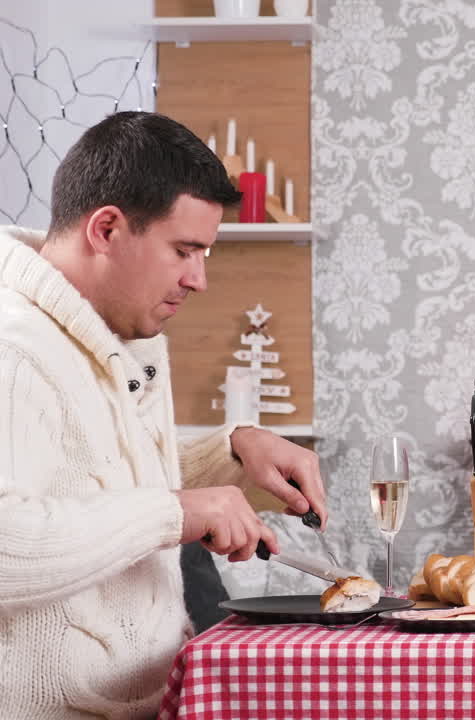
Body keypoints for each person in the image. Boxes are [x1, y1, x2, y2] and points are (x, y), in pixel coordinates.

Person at [0, 111, 329, 718]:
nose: (198, 279)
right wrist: (175, 513)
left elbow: (90, 475)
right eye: (184, 250)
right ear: (106, 229)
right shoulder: (13, 348)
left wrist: (233, 452)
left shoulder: (111, 328)